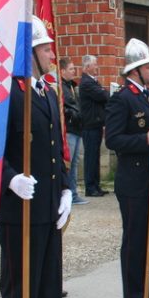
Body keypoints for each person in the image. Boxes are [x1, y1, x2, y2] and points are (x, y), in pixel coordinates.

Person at [0, 16, 84, 298]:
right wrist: (11, 178)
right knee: (22, 286)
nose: (52, 53)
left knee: (49, 283)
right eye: (46, 48)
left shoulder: (48, 92)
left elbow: (54, 151)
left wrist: (66, 187)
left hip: (47, 208)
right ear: (30, 52)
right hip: (19, 210)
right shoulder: (7, 94)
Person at [104, 38, 149, 298]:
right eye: (148, 65)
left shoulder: (147, 95)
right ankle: (133, 296)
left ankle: (147, 289)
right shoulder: (123, 98)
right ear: (135, 70)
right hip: (133, 181)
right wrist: (144, 140)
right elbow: (113, 139)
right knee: (134, 239)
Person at [79, 54, 109, 197]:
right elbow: (103, 96)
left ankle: (96, 185)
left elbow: (103, 95)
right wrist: (104, 92)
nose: (97, 67)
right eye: (95, 64)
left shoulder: (92, 81)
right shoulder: (86, 83)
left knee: (95, 157)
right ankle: (90, 187)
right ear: (87, 67)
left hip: (96, 124)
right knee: (91, 157)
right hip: (90, 125)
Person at [59, 57, 87, 205]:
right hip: (69, 128)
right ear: (62, 71)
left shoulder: (71, 86)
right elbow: (63, 106)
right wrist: (73, 114)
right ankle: (69, 192)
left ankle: (73, 192)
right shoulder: (61, 87)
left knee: (75, 162)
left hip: (77, 128)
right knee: (68, 163)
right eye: (71, 69)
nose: (74, 72)